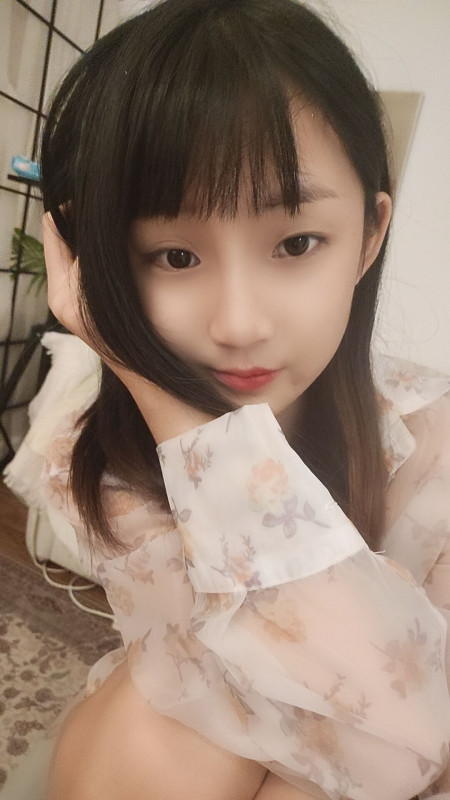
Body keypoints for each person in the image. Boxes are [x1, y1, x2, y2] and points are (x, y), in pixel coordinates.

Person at [38, 0, 450, 797]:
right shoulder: (98, 463)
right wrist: (168, 407)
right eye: (174, 256)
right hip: (185, 735)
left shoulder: (433, 436)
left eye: (296, 243)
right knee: (157, 734)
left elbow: (413, 743)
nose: (239, 324)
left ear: (369, 234)